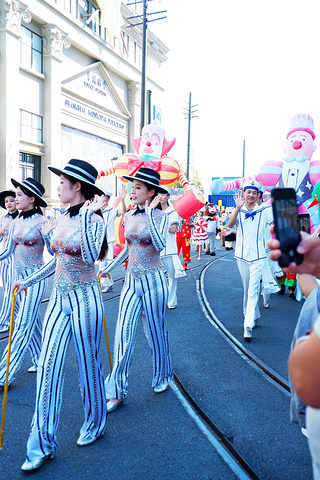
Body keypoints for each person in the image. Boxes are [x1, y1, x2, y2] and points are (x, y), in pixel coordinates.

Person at [12, 160, 108, 471]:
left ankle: (94, 422)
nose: (57, 186)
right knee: (48, 369)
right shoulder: (58, 217)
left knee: (88, 365)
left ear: (77, 186)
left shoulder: (93, 219)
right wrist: (24, 281)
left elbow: (92, 256)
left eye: (62, 181)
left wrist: (94, 218)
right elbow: (58, 260)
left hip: (86, 300)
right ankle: (40, 445)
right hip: (58, 301)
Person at [98, 167, 172, 413]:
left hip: (154, 281)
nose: (133, 191)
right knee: (122, 334)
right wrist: (107, 267)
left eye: (138, 187)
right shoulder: (128, 215)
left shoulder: (162, 217)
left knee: (155, 331)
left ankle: (162, 375)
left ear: (152, 192)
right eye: (132, 187)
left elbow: (160, 245)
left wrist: (151, 213)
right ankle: (116, 391)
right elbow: (128, 250)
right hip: (131, 282)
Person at [0, 178, 50, 385]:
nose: (15, 198)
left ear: (32, 199)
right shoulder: (16, 222)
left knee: (22, 324)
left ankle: (4, 373)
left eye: (20, 195)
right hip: (17, 279)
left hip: (35, 278)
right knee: (32, 322)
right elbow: (6, 251)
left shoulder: (43, 222)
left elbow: (55, 254)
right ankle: (40, 359)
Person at [228, 180, 279, 341]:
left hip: (258, 257)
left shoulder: (265, 210)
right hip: (241, 256)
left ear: (258, 195)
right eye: (247, 192)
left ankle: (247, 325)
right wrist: (237, 207)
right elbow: (229, 225)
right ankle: (254, 315)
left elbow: (275, 226)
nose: (250, 195)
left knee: (252, 290)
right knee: (247, 289)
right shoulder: (239, 210)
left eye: (253, 192)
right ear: (243, 193)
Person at [159, 191, 185, 309]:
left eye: (163, 195)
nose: (160, 197)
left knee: (171, 277)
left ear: (168, 197)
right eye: (158, 195)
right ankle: (159, 300)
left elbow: (173, 229)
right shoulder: (155, 213)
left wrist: (159, 225)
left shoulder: (172, 213)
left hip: (169, 250)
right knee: (157, 278)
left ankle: (171, 301)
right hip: (157, 250)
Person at [99, 187, 127, 292]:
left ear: (107, 199)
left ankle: (107, 283)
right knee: (103, 263)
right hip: (99, 241)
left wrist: (122, 200)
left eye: (104, 196)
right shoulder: (97, 210)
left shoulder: (112, 210)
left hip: (108, 240)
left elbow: (123, 211)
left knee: (107, 263)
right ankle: (107, 283)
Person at [0, 190, 20, 333]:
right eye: (7, 201)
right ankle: (17, 316)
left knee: (10, 289)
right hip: (3, 256)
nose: (9, 203)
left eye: (11, 200)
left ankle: (4, 321)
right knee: (7, 287)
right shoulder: (2, 218)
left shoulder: (21, 218)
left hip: (16, 255)